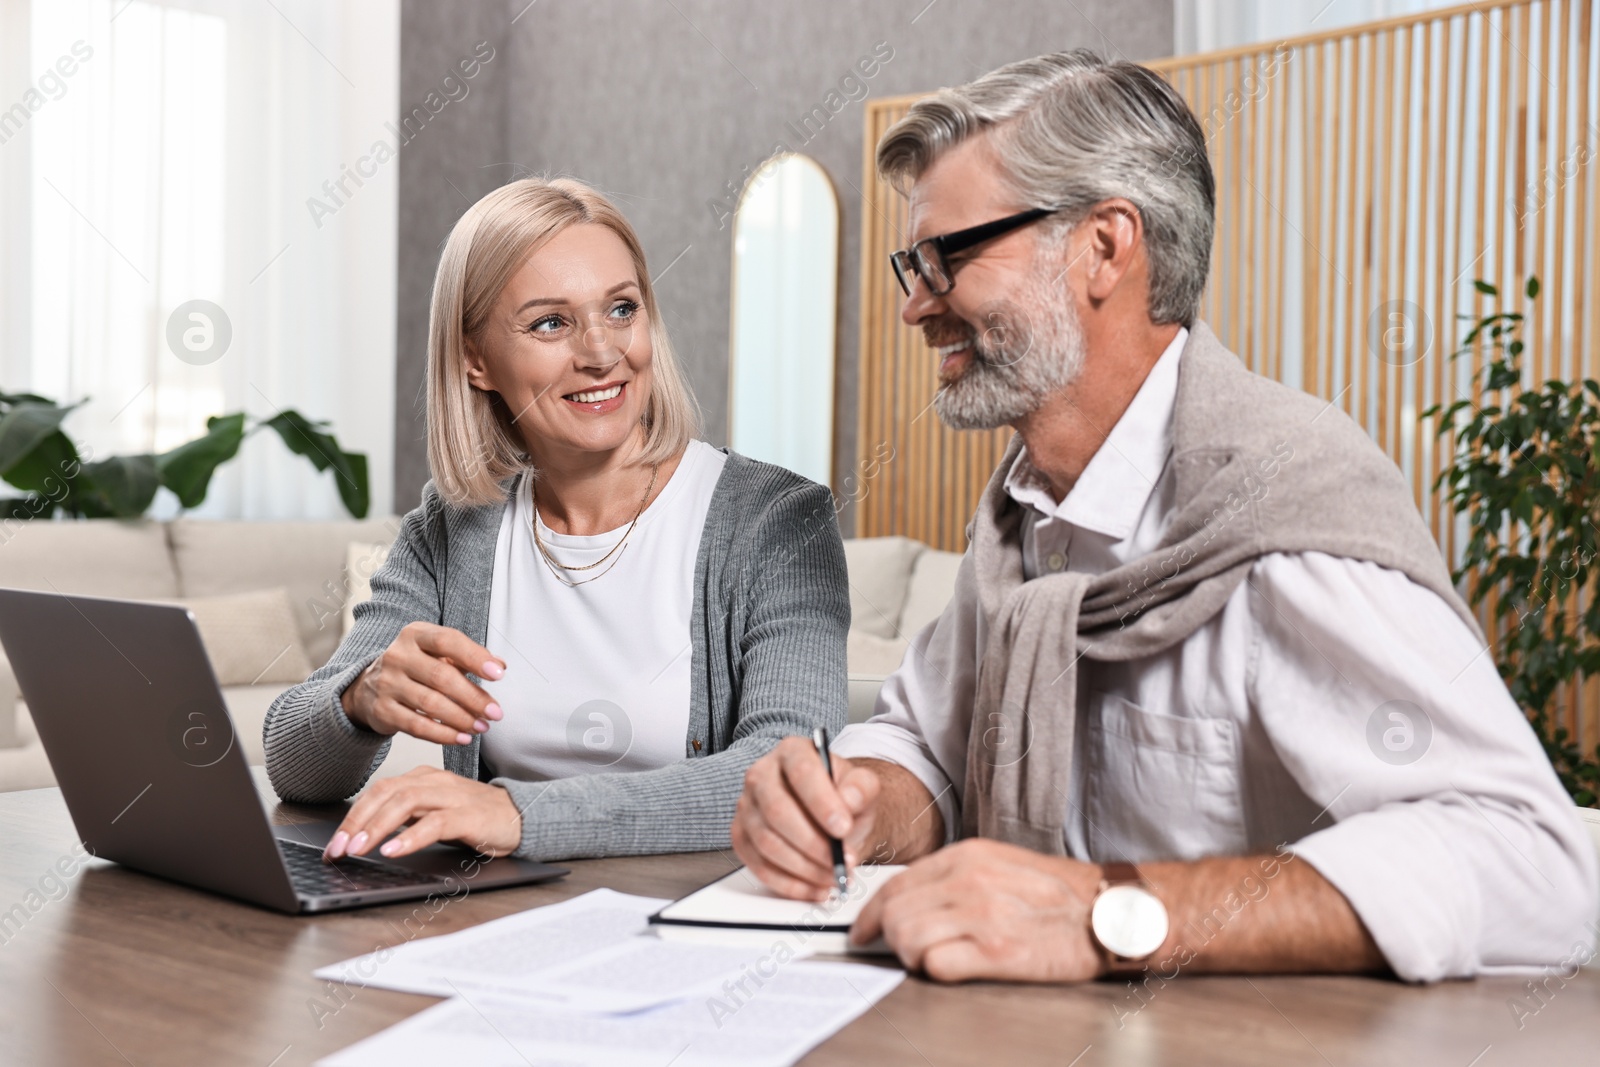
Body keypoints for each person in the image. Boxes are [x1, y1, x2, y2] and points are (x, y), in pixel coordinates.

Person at [731, 50, 1598, 984]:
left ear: (1105, 247)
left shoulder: (1280, 510)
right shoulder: (1020, 519)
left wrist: (1107, 914)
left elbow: (1539, 865)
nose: (913, 305)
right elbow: (926, 743)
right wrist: (855, 800)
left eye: (948, 256)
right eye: (914, 261)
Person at [264, 177, 848, 864]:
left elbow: (787, 778)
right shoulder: (456, 529)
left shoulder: (777, 522)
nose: (603, 353)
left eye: (622, 309)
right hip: (499, 918)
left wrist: (516, 812)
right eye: (551, 322)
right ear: (477, 360)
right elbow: (293, 765)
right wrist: (359, 699)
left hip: (688, 929)